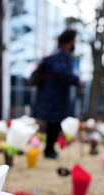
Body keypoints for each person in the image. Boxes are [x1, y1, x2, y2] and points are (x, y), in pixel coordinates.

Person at [33, 28, 82, 159]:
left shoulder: (57, 53)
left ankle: (50, 150)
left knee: (53, 123)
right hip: (54, 95)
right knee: (54, 123)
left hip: (51, 94)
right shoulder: (61, 55)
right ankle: (49, 151)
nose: (74, 43)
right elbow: (61, 73)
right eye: (74, 40)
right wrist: (76, 80)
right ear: (69, 41)